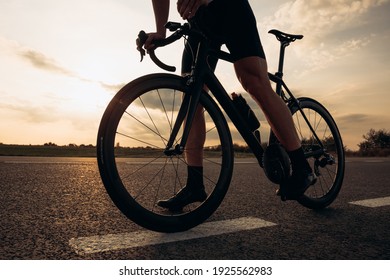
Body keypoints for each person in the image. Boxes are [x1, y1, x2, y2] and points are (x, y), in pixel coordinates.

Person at [139, 0, 316, 211]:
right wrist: (160, 31)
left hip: (230, 8)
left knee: (253, 81)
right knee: (192, 96)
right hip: (200, 20)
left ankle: (301, 167)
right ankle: (194, 185)